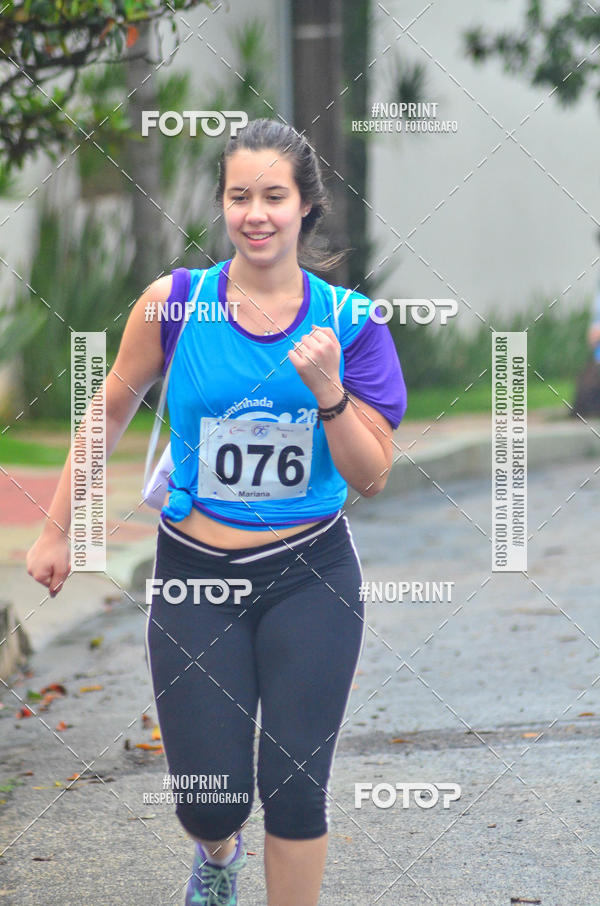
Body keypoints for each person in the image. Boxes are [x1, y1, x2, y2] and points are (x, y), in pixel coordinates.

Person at [26, 118, 407, 906]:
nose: (256, 214)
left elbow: (372, 476)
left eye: (274, 196)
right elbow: (108, 411)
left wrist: (330, 393)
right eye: (240, 197)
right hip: (195, 576)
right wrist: (58, 529)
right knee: (209, 800)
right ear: (223, 205)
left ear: (306, 206)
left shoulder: (351, 322)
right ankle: (218, 857)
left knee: (295, 787)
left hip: (310, 574)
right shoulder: (175, 305)